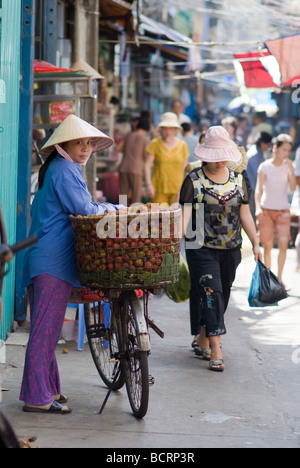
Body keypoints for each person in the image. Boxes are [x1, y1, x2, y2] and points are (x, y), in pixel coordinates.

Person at [20, 115, 122, 414]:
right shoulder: (65, 169)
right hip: (51, 261)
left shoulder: (58, 166)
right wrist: (117, 208)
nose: (85, 148)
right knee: (44, 332)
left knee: (47, 331)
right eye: (79, 142)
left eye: (89, 142)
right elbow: (85, 209)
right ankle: (36, 398)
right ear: (64, 143)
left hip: (46, 257)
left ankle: (47, 389)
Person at [180, 126, 262, 372]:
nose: (219, 161)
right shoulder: (193, 179)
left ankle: (204, 336)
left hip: (231, 248)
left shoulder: (239, 179)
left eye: (223, 155)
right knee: (212, 291)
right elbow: (184, 214)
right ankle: (217, 348)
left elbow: (245, 213)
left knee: (220, 294)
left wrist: (256, 243)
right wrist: (174, 244)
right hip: (200, 247)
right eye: (214, 156)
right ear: (205, 155)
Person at [255, 134, 297, 285]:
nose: (286, 153)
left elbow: (292, 188)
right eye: (284, 150)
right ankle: (268, 280)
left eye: (288, 151)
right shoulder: (265, 166)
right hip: (266, 210)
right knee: (267, 246)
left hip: (283, 211)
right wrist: (258, 207)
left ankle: (279, 278)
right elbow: (258, 189)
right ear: (275, 148)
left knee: (284, 244)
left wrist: (292, 171)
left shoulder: (287, 166)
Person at [145, 112, 189, 205]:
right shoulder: (155, 144)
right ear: (161, 129)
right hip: (159, 188)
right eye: (165, 128)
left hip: (178, 188)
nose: (168, 132)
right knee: (159, 218)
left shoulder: (182, 145)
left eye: (171, 129)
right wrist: (148, 184)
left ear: (176, 130)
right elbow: (147, 165)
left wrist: (185, 188)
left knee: (175, 217)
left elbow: (185, 168)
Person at [117, 118, 150, 204]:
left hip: (124, 168)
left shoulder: (128, 135)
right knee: (136, 196)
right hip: (136, 170)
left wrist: (127, 150)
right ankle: (135, 215)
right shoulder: (145, 139)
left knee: (123, 196)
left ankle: (122, 213)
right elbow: (146, 156)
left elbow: (118, 148)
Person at [247, 132, 273, 219]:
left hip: (254, 187)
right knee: (253, 213)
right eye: (268, 145)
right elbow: (258, 174)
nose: (269, 147)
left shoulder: (258, 151)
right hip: (252, 189)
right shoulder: (254, 155)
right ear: (262, 143)